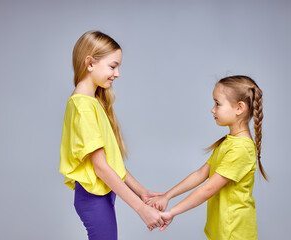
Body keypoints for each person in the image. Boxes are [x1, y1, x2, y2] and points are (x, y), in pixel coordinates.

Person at [59, 30, 164, 240]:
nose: (117, 73)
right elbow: (101, 168)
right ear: (90, 63)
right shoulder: (83, 107)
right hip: (93, 197)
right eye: (113, 66)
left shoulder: (92, 102)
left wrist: (141, 191)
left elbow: (111, 163)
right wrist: (140, 209)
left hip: (101, 195)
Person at [146, 75, 268, 239]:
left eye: (218, 104)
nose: (212, 109)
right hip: (222, 230)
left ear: (239, 108)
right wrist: (167, 196)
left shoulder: (241, 149)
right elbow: (201, 174)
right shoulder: (229, 143)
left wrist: (172, 213)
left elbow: (208, 189)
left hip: (234, 232)